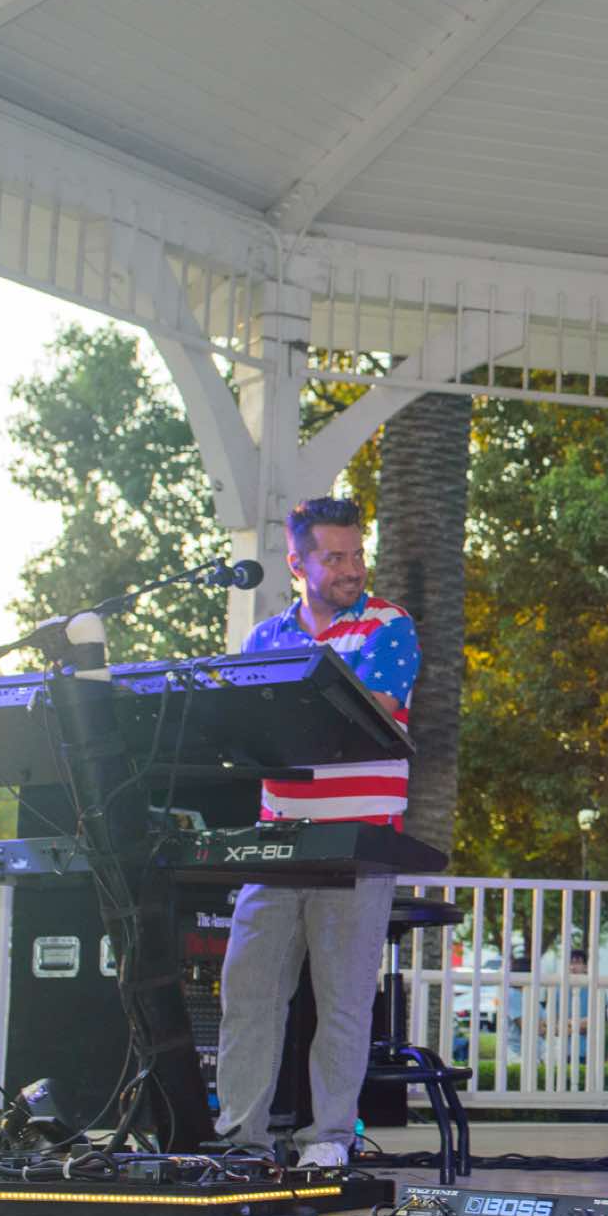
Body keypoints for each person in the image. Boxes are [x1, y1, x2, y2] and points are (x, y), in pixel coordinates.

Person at [213, 496, 421, 1169]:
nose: (352, 568)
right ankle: (242, 1141)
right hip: (277, 841)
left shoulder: (390, 624)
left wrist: (282, 722)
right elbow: (251, 732)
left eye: (357, 554)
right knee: (248, 994)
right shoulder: (263, 640)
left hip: (358, 842)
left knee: (343, 1001)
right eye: (335, 557)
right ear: (297, 564)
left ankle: (330, 1138)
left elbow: (366, 713)